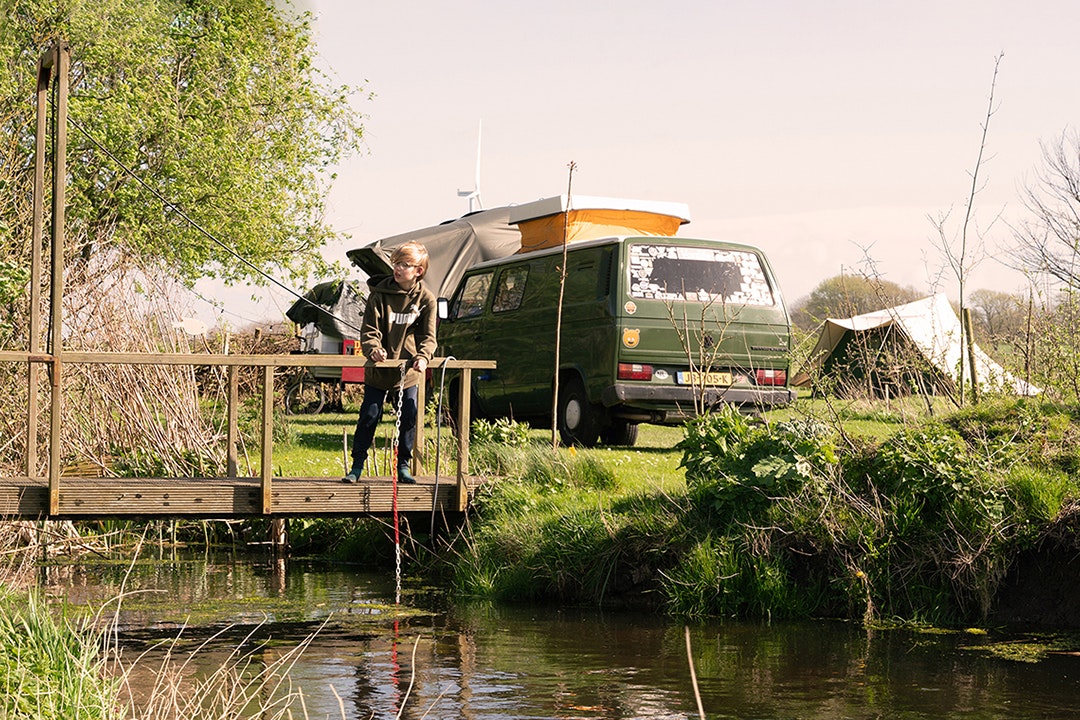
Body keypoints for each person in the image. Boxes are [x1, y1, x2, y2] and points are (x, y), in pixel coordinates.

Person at [342, 241, 437, 484]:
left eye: (405, 264)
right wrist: (374, 350)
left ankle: (403, 465)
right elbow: (369, 331)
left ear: (418, 270)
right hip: (379, 370)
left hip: (408, 373)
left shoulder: (426, 299)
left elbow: (429, 337)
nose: (398, 268)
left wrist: (423, 357)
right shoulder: (378, 296)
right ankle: (356, 467)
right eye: (396, 263)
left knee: (409, 416)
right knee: (369, 415)